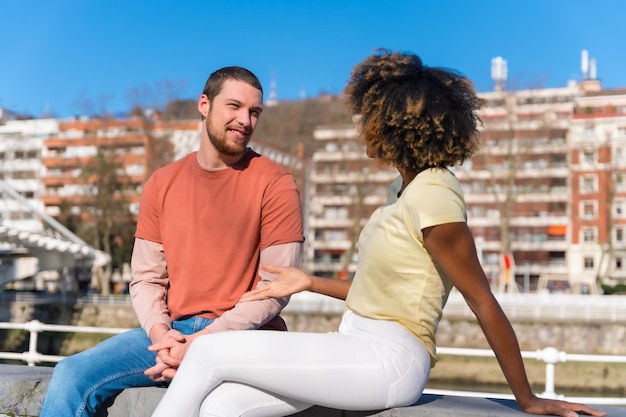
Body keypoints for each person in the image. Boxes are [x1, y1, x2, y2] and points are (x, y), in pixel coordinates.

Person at [150, 51, 606, 417]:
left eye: (367, 115)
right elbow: (381, 292)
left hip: (390, 360)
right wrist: (308, 282)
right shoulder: (402, 190)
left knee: (212, 355)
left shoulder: (434, 194)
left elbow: (482, 299)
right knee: (220, 406)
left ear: (394, 123)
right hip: (354, 346)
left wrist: (527, 399)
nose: (359, 125)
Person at [39, 66, 304, 417]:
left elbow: (275, 289)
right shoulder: (161, 183)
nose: (245, 120)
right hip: (172, 332)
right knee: (70, 374)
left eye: (254, 112)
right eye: (234, 107)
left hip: (247, 336)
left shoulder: (276, 183)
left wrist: (199, 346)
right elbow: (146, 278)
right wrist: (163, 336)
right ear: (204, 105)